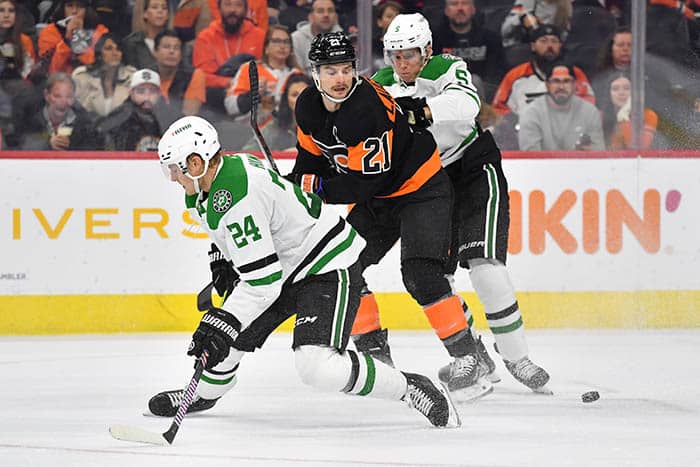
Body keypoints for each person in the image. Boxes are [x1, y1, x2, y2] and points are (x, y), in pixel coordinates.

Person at [145, 115, 461, 429]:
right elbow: (225, 232)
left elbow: (262, 282)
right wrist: (221, 263)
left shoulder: (238, 194)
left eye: (175, 168)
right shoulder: (212, 181)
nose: (173, 177)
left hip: (325, 266)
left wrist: (222, 320)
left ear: (197, 162)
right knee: (227, 337)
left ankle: (411, 387)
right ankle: (204, 393)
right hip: (282, 266)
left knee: (318, 368)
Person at [288, 31, 490, 401]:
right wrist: (292, 186)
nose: (340, 78)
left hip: (421, 187)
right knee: (344, 266)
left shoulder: (369, 108)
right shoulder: (308, 107)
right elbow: (309, 160)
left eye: (347, 69)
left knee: (421, 273)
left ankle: (468, 357)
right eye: (331, 70)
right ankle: (374, 351)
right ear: (315, 74)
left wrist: (315, 188)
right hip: (379, 194)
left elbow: (364, 183)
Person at [373, 12, 551, 394]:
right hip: (429, 183)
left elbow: (466, 105)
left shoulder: (448, 67)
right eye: (395, 55)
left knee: (486, 267)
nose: (402, 63)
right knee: (438, 278)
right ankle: (476, 355)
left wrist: (419, 110)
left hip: (473, 169)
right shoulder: (380, 84)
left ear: (427, 50)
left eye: (409, 54)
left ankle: (518, 356)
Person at [492, 24, 594, 117]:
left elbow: (589, 104)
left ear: (560, 46)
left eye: (554, 41)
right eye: (543, 41)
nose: (549, 46)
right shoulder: (515, 75)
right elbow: (498, 108)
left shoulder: (574, 74)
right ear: (533, 46)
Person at [431, 0, 506, 102]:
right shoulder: (434, 40)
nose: (460, 8)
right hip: (445, 96)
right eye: (454, 4)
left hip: (484, 99)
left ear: (473, 9)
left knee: (475, 80)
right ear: (446, 11)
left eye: (465, 3)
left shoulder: (491, 39)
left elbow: (497, 75)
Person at [6, 71, 104, 150]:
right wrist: (47, 144)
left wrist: (72, 147)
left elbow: (95, 149)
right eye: (57, 96)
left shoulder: (85, 124)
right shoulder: (28, 118)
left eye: (69, 96)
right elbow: (17, 145)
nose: (63, 102)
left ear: (74, 98)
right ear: (47, 96)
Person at [518, 63, 604, 151]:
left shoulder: (590, 112)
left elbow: (599, 152)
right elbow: (531, 156)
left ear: (574, 85)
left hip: (579, 164)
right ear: (547, 85)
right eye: (556, 81)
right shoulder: (531, 113)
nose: (561, 87)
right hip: (543, 164)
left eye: (566, 81)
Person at [224, 25, 302, 123]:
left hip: (287, 129)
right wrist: (254, 94)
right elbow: (231, 107)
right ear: (266, 47)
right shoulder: (250, 69)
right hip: (249, 129)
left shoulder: (297, 75)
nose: (282, 46)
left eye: (286, 42)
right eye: (276, 41)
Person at [192, 0, 266, 90]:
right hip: (215, 92)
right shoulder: (206, 37)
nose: (232, 10)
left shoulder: (260, 36)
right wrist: (231, 82)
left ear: (245, 10)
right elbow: (203, 76)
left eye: (238, 5)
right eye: (227, 4)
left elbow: (266, 72)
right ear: (219, 8)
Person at [97, 68, 174, 150]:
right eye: (141, 91)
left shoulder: (169, 118)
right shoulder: (120, 117)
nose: (147, 97)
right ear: (131, 93)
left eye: (152, 91)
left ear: (159, 94)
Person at [242, 73, 312, 151]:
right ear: (286, 99)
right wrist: (282, 155)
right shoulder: (274, 127)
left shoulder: (324, 124)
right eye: (294, 95)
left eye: (304, 94)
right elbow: (247, 153)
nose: (300, 99)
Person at [72, 33, 136, 117]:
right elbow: (75, 110)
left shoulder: (132, 77)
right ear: (99, 53)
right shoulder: (82, 77)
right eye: (109, 49)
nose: (115, 53)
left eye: (118, 49)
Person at [37, 0, 109, 75]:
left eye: (80, 6)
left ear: (87, 9)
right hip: (60, 81)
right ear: (62, 8)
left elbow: (95, 66)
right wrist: (68, 39)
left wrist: (79, 35)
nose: (74, 11)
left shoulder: (100, 31)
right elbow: (53, 70)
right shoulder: (49, 32)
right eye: (70, 6)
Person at [153, 29, 207, 116]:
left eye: (176, 48)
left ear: (181, 54)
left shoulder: (194, 75)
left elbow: (189, 115)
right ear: (155, 52)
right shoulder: (147, 75)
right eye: (166, 47)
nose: (172, 51)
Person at [602, 73, 658, 150]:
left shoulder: (648, 115)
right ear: (609, 93)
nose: (621, 93)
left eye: (626, 88)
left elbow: (641, 148)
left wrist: (624, 119)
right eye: (615, 89)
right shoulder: (601, 116)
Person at [291, 0, 342, 72]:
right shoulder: (296, 39)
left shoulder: (344, 39)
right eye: (320, 11)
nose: (326, 15)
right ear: (310, 17)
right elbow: (297, 72)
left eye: (330, 11)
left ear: (336, 16)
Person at [122, 0, 170, 71]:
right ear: (145, 13)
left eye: (164, 8)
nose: (160, 11)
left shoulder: (175, 41)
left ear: (168, 15)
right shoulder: (131, 43)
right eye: (154, 7)